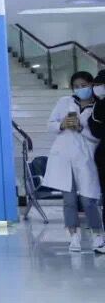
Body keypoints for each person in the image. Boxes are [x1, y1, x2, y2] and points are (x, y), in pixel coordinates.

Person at [43, 71, 104, 252]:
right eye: (76, 86)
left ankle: (97, 235)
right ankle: (74, 236)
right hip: (64, 157)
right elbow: (50, 125)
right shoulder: (64, 102)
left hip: (86, 158)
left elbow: (98, 136)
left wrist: (80, 128)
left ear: (91, 85)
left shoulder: (98, 106)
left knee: (88, 200)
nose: (80, 89)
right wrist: (61, 125)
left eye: (84, 85)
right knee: (69, 201)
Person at [88, 69, 105, 249]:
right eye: (97, 85)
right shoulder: (98, 105)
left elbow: (96, 130)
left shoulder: (99, 106)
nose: (99, 88)